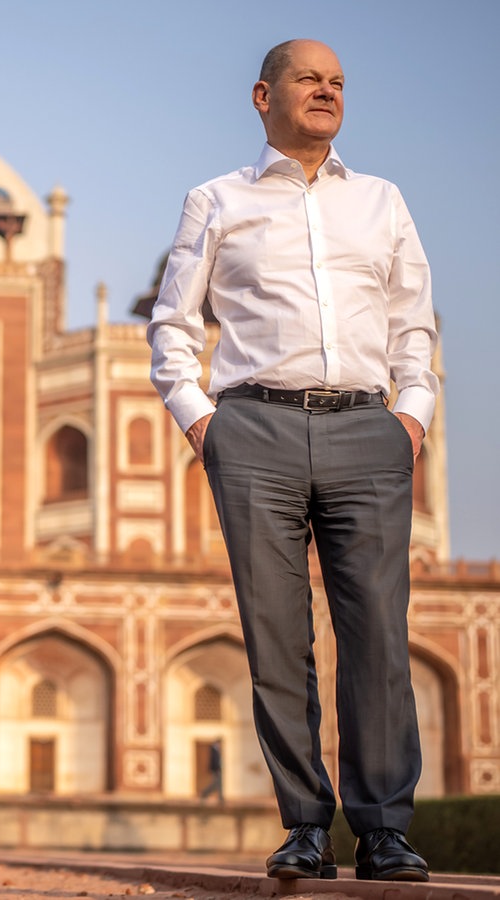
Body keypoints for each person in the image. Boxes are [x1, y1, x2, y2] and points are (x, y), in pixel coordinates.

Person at [147, 39, 436, 883]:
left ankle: (384, 832)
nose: (327, 92)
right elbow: (174, 322)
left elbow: (414, 320)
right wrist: (203, 423)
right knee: (278, 641)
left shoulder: (381, 201)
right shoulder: (218, 199)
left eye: (338, 82)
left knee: (378, 637)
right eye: (309, 79)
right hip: (254, 430)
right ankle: (305, 826)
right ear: (263, 95)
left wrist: (409, 420)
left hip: (365, 429)